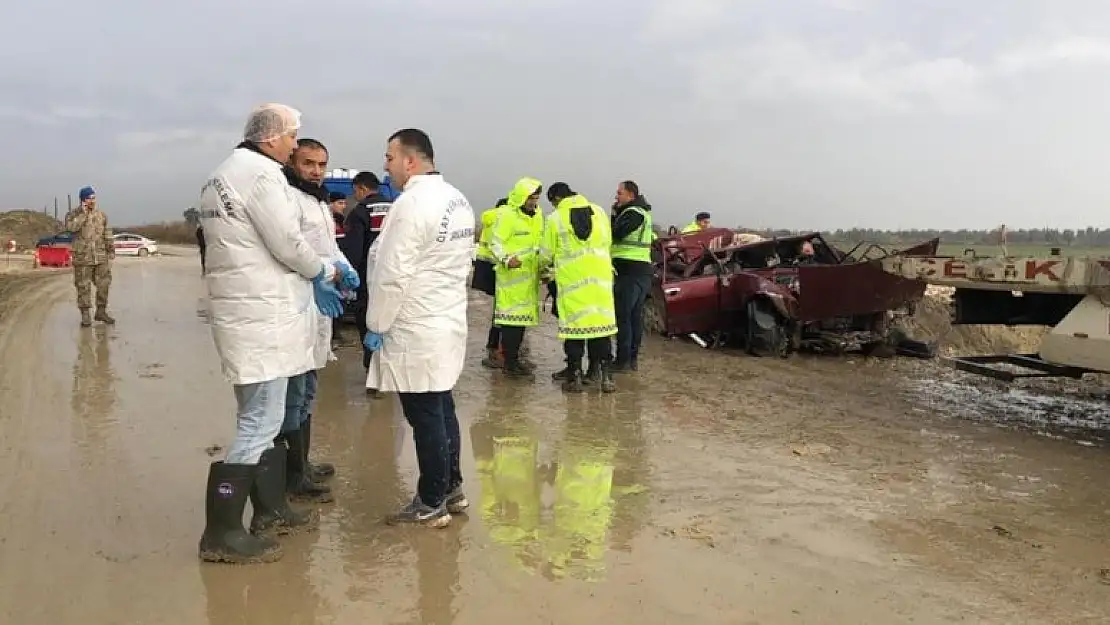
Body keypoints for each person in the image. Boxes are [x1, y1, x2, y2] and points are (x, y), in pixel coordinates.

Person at [196, 103, 351, 565]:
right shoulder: (262, 176)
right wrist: (325, 271)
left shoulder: (223, 174)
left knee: (261, 418)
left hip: (247, 313)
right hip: (262, 318)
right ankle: (222, 532)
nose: (293, 145)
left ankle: (267, 509)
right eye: (291, 137)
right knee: (259, 421)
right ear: (271, 138)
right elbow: (288, 243)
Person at [363, 128, 475, 527]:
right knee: (442, 407)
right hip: (444, 319)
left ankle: (430, 503)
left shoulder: (411, 204)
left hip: (415, 325)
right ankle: (452, 488)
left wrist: (376, 324)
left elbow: (393, 273)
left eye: (389, 158)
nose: (386, 166)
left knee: (425, 414)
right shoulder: (456, 199)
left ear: (410, 161)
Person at [279, 138, 360, 504]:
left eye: (321, 164)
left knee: (310, 387)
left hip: (321, 303)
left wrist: (344, 266)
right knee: (294, 392)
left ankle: (303, 463)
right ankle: (292, 475)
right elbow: (293, 248)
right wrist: (325, 273)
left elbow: (328, 246)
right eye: (308, 162)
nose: (315, 170)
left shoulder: (319, 200)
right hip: (299, 299)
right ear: (294, 160)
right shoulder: (286, 197)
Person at [542, 182, 617, 393]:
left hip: (572, 282)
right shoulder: (599, 212)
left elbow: (547, 252)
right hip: (600, 281)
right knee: (601, 329)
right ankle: (605, 377)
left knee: (574, 330)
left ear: (556, 199)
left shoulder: (555, 218)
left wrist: (542, 269)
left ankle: (574, 377)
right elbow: (608, 241)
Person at [488, 177, 544, 378]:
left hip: (529, 278)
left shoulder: (538, 216)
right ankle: (509, 363)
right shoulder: (507, 216)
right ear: (522, 196)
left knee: (521, 324)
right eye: (531, 198)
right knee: (510, 323)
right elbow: (495, 242)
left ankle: (514, 360)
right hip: (511, 279)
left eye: (536, 198)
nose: (534, 202)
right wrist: (506, 259)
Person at [338, 171, 392, 373]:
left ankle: (373, 371)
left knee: (368, 323)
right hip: (395, 277)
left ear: (361, 188)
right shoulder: (397, 208)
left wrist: (347, 279)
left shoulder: (360, 212)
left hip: (369, 280)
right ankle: (388, 371)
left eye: (355, 192)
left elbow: (354, 250)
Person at [610, 180, 655, 372]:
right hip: (640, 271)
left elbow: (617, 233)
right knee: (634, 317)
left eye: (619, 193)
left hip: (630, 271)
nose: (616, 197)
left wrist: (614, 215)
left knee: (624, 318)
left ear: (631, 195)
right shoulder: (642, 213)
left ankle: (623, 361)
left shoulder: (633, 213)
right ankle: (631, 360)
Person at [64, 186, 115, 327]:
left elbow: (107, 234)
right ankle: (85, 316)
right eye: (89, 198)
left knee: (104, 284)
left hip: (100, 257)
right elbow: (70, 228)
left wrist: (111, 250)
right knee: (83, 286)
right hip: (83, 258)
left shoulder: (102, 215)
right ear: (83, 200)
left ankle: (101, 312)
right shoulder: (73, 214)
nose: (92, 201)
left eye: (93, 198)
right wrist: (83, 214)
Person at [473, 197, 508, 368]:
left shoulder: (490, 218)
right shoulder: (503, 219)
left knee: (498, 309)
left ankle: (493, 345)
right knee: (502, 310)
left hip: (484, 267)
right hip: (497, 268)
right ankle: (497, 348)